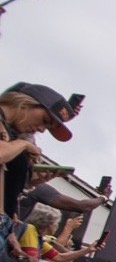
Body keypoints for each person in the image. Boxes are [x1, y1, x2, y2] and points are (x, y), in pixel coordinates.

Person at [0, 83, 74, 219]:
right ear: (26, 102)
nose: (41, 129)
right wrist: (23, 144)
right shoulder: (16, 141)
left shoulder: (11, 136)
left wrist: (30, 180)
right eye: (45, 120)